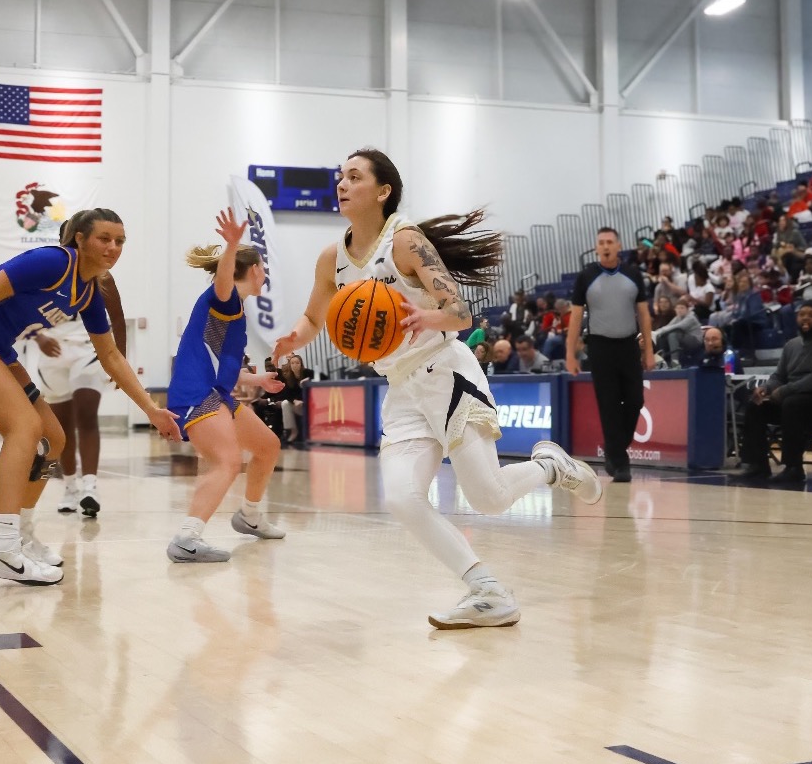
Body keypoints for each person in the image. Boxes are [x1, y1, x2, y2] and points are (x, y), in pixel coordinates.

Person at [273, 149, 602, 630]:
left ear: (383, 191)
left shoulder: (405, 241)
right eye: (340, 177)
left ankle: (550, 466)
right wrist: (292, 339)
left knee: (487, 497)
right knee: (401, 498)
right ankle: (488, 591)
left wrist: (431, 316)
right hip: (402, 387)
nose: (342, 184)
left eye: (354, 176)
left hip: (445, 372)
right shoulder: (332, 259)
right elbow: (313, 318)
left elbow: (462, 313)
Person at [0, 208, 182, 585]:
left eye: (120, 241)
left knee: (52, 438)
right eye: (104, 238)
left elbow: (110, 356)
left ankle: (21, 535)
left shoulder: (88, 292)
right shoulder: (51, 262)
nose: (113, 247)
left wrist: (152, 410)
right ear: (80, 239)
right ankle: (3, 548)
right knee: (24, 427)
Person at [165, 209, 290, 562]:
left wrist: (256, 379)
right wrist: (233, 244)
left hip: (215, 392)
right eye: (262, 267)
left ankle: (249, 516)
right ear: (253, 270)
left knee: (267, 446)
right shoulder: (226, 298)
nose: (265, 273)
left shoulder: (236, 313)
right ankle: (187, 538)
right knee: (227, 461)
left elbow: (225, 368)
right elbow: (223, 282)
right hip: (195, 392)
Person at [25, 263, 123, 517]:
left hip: (88, 349)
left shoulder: (101, 275)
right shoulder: (45, 271)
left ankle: (90, 487)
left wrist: (119, 362)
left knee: (87, 413)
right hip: (53, 352)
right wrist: (38, 337)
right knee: (62, 427)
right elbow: (23, 312)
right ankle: (70, 487)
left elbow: (118, 317)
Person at [566, 227, 657, 482]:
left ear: (618, 246)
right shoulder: (586, 276)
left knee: (635, 399)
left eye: (609, 242)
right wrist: (570, 353)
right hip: (600, 347)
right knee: (609, 405)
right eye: (601, 242)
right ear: (596, 247)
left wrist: (649, 350)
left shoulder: (632, 274)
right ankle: (620, 462)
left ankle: (614, 450)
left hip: (628, 345)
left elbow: (644, 315)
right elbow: (575, 318)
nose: (605, 246)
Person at [733, 299, 812, 484]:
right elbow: (779, 375)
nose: (805, 318)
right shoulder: (792, 345)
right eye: (802, 314)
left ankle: (793, 468)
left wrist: (785, 390)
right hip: (794, 397)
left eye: (811, 315)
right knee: (756, 406)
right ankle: (757, 465)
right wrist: (766, 388)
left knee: (792, 404)